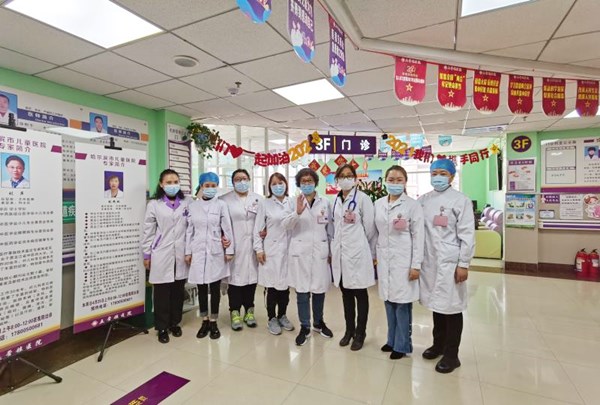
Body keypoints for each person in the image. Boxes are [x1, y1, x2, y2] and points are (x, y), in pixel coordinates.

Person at [419, 159, 475, 374]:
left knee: (452, 307)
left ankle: (452, 355)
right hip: (430, 261)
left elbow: (467, 234)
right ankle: (438, 345)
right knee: (437, 305)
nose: (438, 177)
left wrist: (464, 264)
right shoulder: (424, 200)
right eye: (434, 173)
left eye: (443, 173)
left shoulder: (461, 200)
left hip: (451, 261)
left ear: (452, 176)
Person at [374, 165, 424, 360]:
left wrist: (416, 265)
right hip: (385, 259)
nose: (394, 183)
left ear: (405, 182)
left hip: (404, 260)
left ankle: (402, 345)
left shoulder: (412, 205)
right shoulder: (378, 203)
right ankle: (391, 340)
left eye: (399, 180)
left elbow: (418, 236)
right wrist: (374, 255)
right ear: (385, 181)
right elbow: (376, 232)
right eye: (391, 179)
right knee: (388, 301)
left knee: (402, 304)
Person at [282, 168, 334, 346]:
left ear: (315, 182)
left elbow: (330, 228)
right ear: (299, 184)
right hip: (300, 252)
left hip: (320, 250)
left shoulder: (325, 202)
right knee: (302, 292)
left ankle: (318, 323)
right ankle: (305, 326)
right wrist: (297, 212)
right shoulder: (292, 202)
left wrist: (330, 252)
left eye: (309, 181)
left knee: (319, 290)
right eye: (303, 181)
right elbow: (286, 225)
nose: (307, 184)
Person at [141, 169, 191, 344]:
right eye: (168, 182)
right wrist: (146, 253)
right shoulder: (154, 204)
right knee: (162, 292)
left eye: (175, 182)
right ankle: (162, 327)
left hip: (181, 252)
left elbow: (192, 227)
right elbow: (148, 230)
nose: (172, 185)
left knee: (178, 290)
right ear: (161, 184)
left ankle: (174, 323)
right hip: (161, 251)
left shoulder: (187, 203)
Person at [331, 164, 376, 351]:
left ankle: (360, 333)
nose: (346, 179)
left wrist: (362, 246)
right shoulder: (336, 200)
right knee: (346, 295)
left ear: (355, 179)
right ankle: (349, 331)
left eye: (349, 175)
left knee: (360, 294)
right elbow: (335, 226)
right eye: (342, 176)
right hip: (341, 255)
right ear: (337, 180)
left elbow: (370, 229)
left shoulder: (363, 199)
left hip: (357, 253)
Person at [185, 172, 235, 340]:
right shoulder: (193, 206)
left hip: (216, 251)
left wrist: (229, 250)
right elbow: (189, 231)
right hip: (198, 251)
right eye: (207, 185)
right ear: (201, 186)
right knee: (201, 288)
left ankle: (213, 321)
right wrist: (188, 252)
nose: (210, 188)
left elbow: (227, 228)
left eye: (213, 186)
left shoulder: (221, 205)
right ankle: (204, 320)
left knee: (214, 289)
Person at [220, 169, 262, 330]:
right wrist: (222, 239)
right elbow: (219, 224)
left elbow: (264, 221)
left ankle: (249, 311)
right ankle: (235, 312)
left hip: (253, 245)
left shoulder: (258, 199)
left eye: (244, 178)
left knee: (251, 280)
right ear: (233, 182)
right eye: (237, 179)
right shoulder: (224, 200)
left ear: (249, 180)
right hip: (234, 246)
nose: (241, 182)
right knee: (235, 281)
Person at [253, 172, 294, 335]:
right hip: (270, 250)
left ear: (286, 184)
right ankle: (271, 318)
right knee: (271, 287)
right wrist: (259, 249)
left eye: (280, 182)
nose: (278, 186)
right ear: (270, 187)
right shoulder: (265, 203)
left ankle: (282, 315)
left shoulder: (292, 202)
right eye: (274, 184)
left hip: (288, 251)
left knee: (284, 287)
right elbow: (258, 228)